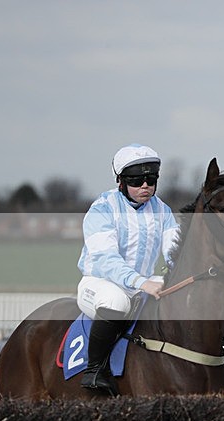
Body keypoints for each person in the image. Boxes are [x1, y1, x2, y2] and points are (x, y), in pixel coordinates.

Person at [76, 143, 179, 395]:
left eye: (151, 180)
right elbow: (106, 260)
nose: (145, 186)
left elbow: (173, 251)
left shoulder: (163, 210)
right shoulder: (102, 208)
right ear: (120, 181)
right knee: (117, 301)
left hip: (143, 282)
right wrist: (142, 282)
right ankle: (95, 370)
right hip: (100, 282)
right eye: (136, 181)